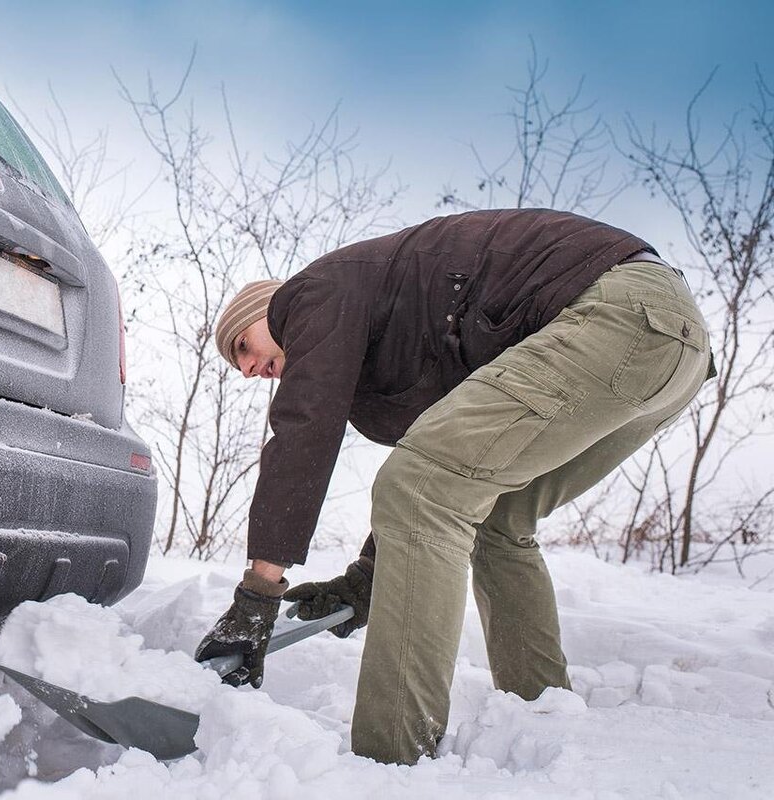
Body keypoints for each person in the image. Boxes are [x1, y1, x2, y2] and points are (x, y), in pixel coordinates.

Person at [193, 208, 714, 765]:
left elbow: (306, 430)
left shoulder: (312, 293)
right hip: (669, 348)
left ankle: (389, 762)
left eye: (242, 347)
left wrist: (257, 595)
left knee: (418, 490)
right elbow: (452, 464)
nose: (246, 369)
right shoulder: (394, 336)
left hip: (617, 316)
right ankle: (541, 721)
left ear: (269, 312)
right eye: (236, 364)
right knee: (498, 516)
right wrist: (368, 575)